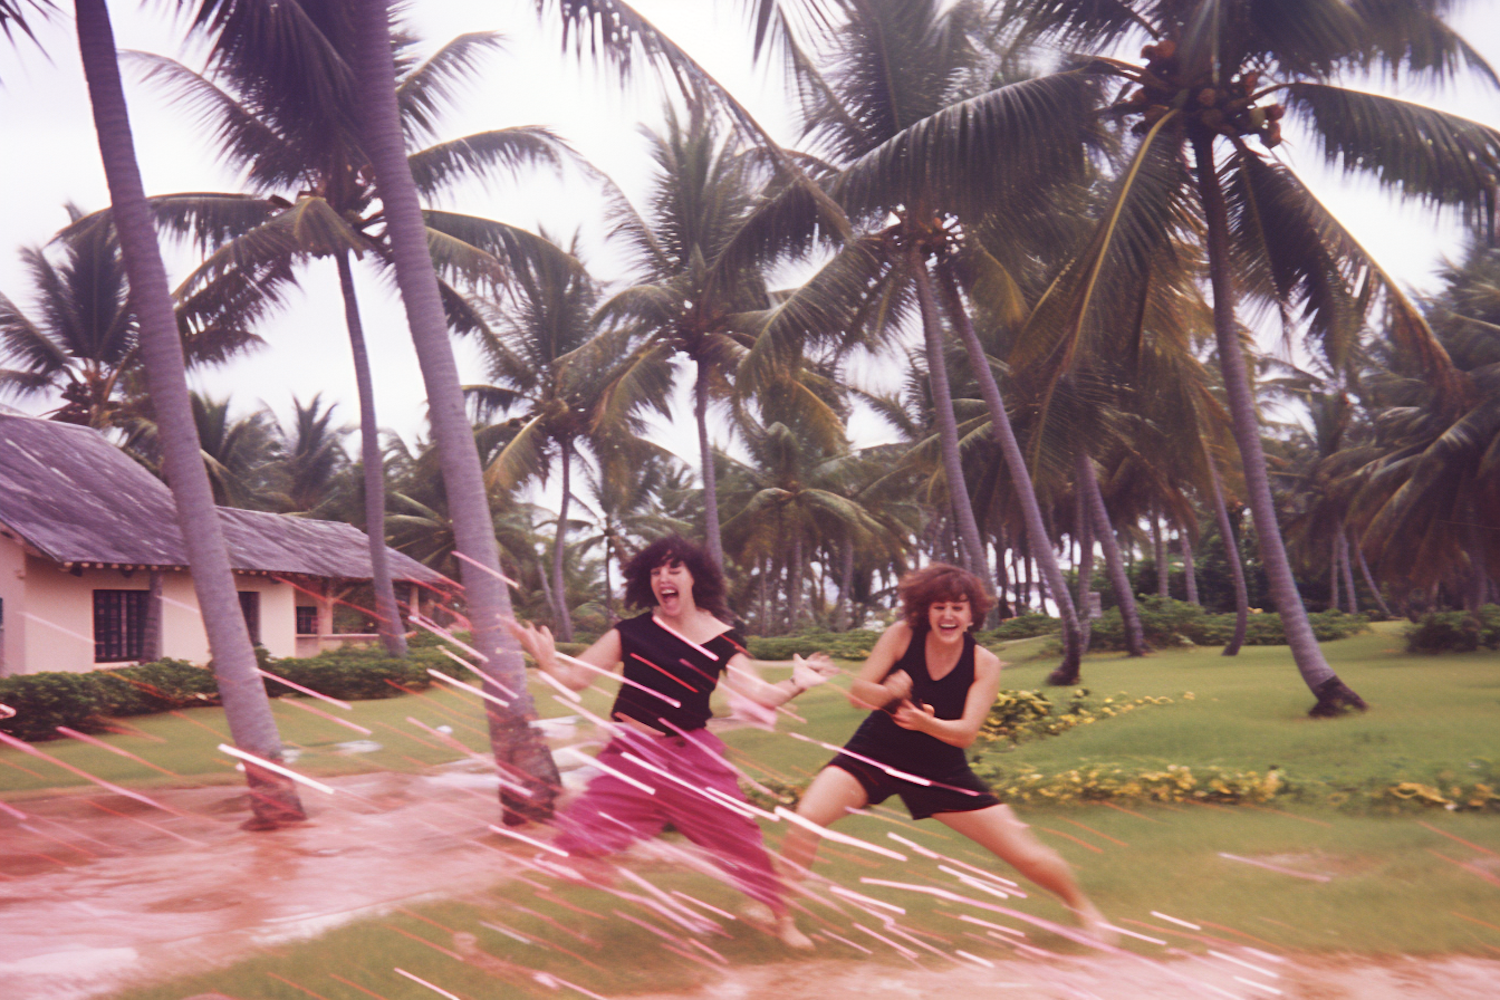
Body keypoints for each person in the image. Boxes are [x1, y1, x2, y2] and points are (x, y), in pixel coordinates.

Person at [509, 535, 835, 949]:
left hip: (691, 758)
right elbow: (576, 679)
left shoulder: (724, 640)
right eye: (656, 571)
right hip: (632, 757)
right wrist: (548, 661)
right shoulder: (632, 631)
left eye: (674, 569)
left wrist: (796, 683)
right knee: (577, 833)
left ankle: (781, 917)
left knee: (740, 839)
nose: (664, 578)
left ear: (694, 577)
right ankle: (618, 866)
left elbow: (755, 697)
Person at [780, 563, 1111, 940]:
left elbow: (966, 733)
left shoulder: (983, 663)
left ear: (972, 614)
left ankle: (1083, 908)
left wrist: (925, 723)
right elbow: (859, 695)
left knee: (1025, 853)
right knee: (807, 818)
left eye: (958, 606)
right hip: (875, 752)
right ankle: (781, 916)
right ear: (926, 611)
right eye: (939, 607)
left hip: (940, 768)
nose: (948, 615)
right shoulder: (902, 636)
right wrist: (891, 691)